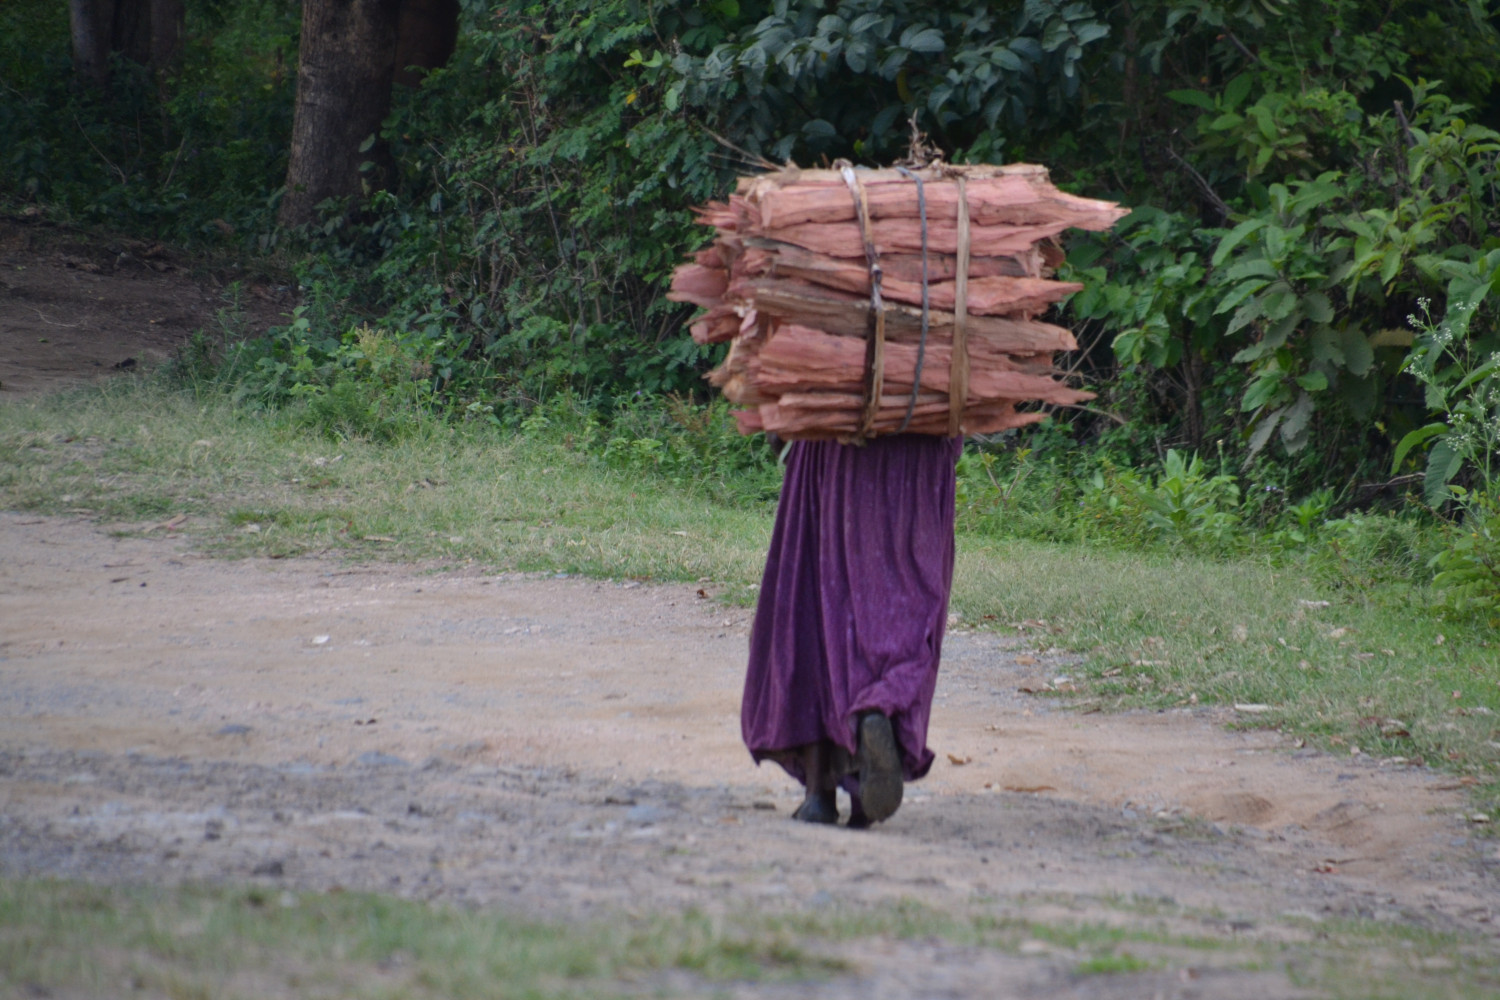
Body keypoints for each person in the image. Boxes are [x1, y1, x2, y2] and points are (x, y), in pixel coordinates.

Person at [740, 432, 963, 827]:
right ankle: (878, 712)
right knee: (904, 603)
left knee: (817, 601)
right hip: (922, 454)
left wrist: (785, 429)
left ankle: (818, 793)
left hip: (831, 444)